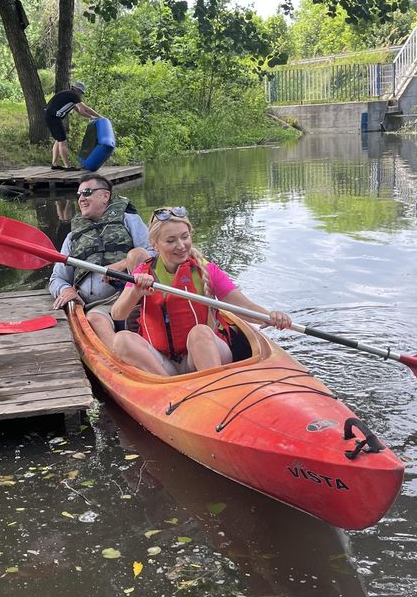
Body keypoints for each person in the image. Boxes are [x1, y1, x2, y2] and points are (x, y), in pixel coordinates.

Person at [110, 207, 292, 376]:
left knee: (200, 332)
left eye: (185, 236)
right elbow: (118, 314)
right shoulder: (143, 272)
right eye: (171, 241)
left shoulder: (206, 270)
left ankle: (214, 389)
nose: (181, 245)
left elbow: (243, 306)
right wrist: (135, 291)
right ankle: (170, 390)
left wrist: (271, 316)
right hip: (163, 364)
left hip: (203, 356)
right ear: (155, 245)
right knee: (121, 340)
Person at [48, 176, 152, 350]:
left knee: (139, 254)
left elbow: (154, 253)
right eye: (79, 194)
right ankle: (121, 358)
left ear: (105, 196)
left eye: (87, 192)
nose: (81, 198)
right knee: (95, 319)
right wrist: (65, 289)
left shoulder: (129, 220)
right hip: (99, 305)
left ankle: (139, 317)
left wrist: (121, 264)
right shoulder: (72, 237)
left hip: (130, 294)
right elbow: (57, 278)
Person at [44, 81, 102, 170]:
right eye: (81, 93)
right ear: (77, 90)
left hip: (50, 116)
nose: (81, 95)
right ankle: (67, 166)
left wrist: (94, 117)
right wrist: (96, 117)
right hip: (53, 117)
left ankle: (54, 164)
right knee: (62, 141)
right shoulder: (73, 95)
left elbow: (79, 111)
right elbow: (85, 109)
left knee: (58, 140)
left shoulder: (69, 96)